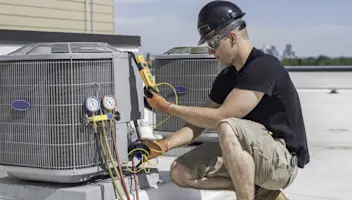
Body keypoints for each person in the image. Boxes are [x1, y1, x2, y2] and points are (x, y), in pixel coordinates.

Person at [128, 1, 310, 199]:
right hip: (254, 155)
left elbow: (221, 117)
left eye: (212, 43)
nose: (210, 51)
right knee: (180, 172)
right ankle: (258, 191)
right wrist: (163, 145)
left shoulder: (263, 67)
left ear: (232, 37)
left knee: (227, 126)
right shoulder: (227, 78)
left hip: (282, 162)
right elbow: (199, 124)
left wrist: (168, 107)